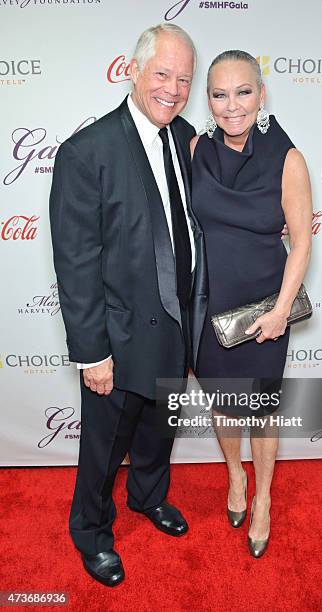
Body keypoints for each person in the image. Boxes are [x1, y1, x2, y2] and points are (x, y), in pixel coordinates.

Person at [49, 24, 208, 587]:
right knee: (103, 446)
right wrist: (91, 353)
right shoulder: (85, 152)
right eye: (162, 74)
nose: (172, 87)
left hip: (175, 323)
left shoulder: (186, 137)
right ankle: (90, 529)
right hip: (116, 339)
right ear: (132, 70)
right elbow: (75, 262)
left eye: (183, 78)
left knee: (160, 429)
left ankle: (147, 497)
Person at [190, 50, 312, 558]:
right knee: (223, 403)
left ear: (261, 96)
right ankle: (235, 478)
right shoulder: (196, 148)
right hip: (208, 308)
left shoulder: (288, 159)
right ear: (209, 100)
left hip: (265, 312)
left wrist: (281, 311)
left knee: (260, 413)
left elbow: (302, 242)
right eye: (220, 93)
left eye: (243, 92)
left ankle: (262, 500)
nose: (231, 104)